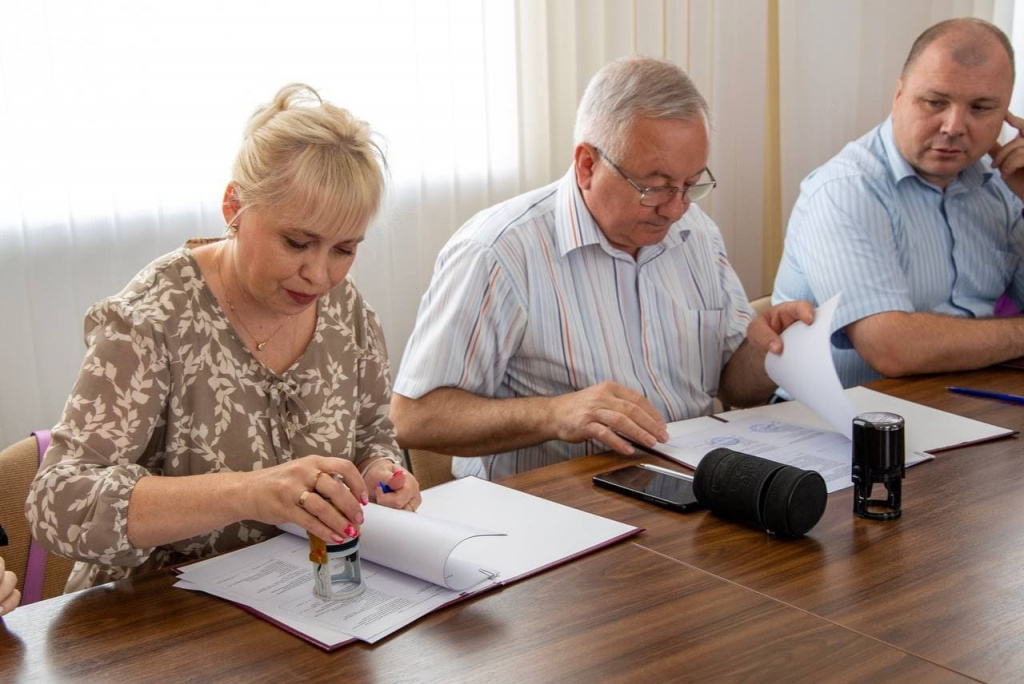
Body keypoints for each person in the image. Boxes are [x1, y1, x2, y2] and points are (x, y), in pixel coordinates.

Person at [26, 84, 421, 592]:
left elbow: (369, 435)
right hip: (153, 612)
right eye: (297, 242)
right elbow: (58, 502)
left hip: (301, 596)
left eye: (344, 249)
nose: (319, 275)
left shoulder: (348, 315)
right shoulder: (154, 318)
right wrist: (250, 492)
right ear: (233, 205)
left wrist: (379, 474)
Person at [391, 57, 812, 481]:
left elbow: (733, 387)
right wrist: (555, 414)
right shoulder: (498, 252)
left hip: (689, 487)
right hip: (553, 508)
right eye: (655, 186)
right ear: (587, 165)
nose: (676, 208)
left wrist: (768, 352)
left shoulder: (696, 233)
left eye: (691, 185)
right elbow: (413, 419)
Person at [773, 18, 1024, 388]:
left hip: (969, 406)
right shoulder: (844, 190)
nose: (954, 126)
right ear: (898, 94)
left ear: (1006, 113)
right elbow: (891, 349)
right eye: (935, 102)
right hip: (838, 424)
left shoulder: (1003, 183)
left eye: (982, 108)